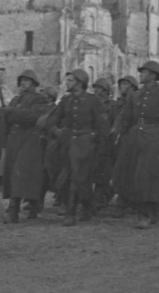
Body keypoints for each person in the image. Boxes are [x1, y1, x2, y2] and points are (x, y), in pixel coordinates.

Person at [115, 61, 159, 229]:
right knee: (136, 177)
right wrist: (122, 138)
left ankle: (148, 212)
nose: (140, 75)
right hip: (135, 138)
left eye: (143, 72)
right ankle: (146, 211)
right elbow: (126, 119)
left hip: (155, 139)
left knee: (150, 177)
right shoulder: (134, 95)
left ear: (153, 75)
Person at [45, 68, 110, 226]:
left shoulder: (92, 100)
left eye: (70, 80)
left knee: (77, 177)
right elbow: (52, 118)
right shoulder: (66, 100)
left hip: (86, 145)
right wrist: (55, 130)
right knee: (76, 179)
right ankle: (87, 206)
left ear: (80, 83)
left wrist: (100, 147)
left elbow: (102, 125)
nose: (66, 83)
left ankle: (70, 212)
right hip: (68, 144)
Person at [1, 69, 50, 223]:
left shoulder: (40, 100)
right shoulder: (15, 100)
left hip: (30, 140)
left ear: (34, 83)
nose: (23, 83)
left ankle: (13, 209)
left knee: (22, 174)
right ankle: (33, 204)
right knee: (15, 175)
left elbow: (33, 117)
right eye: (21, 80)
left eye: (27, 80)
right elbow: (7, 120)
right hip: (14, 141)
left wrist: (11, 112)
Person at [110, 75, 140, 219]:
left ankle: (128, 202)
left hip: (136, 139)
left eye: (125, 84)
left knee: (132, 171)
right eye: (120, 83)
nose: (122, 86)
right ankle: (123, 200)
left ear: (133, 86)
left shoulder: (137, 100)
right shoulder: (118, 103)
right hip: (121, 139)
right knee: (120, 170)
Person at [89, 77, 117, 211]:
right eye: (95, 88)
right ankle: (104, 194)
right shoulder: (93, 103)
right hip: (93, 139)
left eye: (99, 88)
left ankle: (99, 197)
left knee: (102, 170)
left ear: (106, 90)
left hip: (106, 140)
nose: (96, 91)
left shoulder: (113, 105)